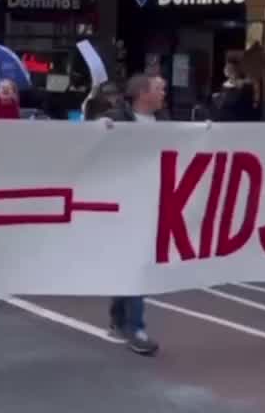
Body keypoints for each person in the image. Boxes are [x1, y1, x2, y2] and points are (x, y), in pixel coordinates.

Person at [99, 74, 164, 356]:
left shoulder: (167, 122)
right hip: (122, 202)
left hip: (151, 201)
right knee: (135, 264)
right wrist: (100, 128)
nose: (165, 94)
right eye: (160, 89)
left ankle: (119, 318)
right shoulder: (117, 118)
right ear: (142, 93)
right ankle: (135, 327)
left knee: (134, 264)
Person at [212, 57, 259, 122]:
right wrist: (219, 98)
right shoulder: (225, 84)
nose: (227, 70)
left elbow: (240, 101)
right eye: (226, 68)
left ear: (236, 70)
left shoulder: (245, 83)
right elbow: (222, 101)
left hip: (239, 118)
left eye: (230, 69)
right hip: (224, 119)